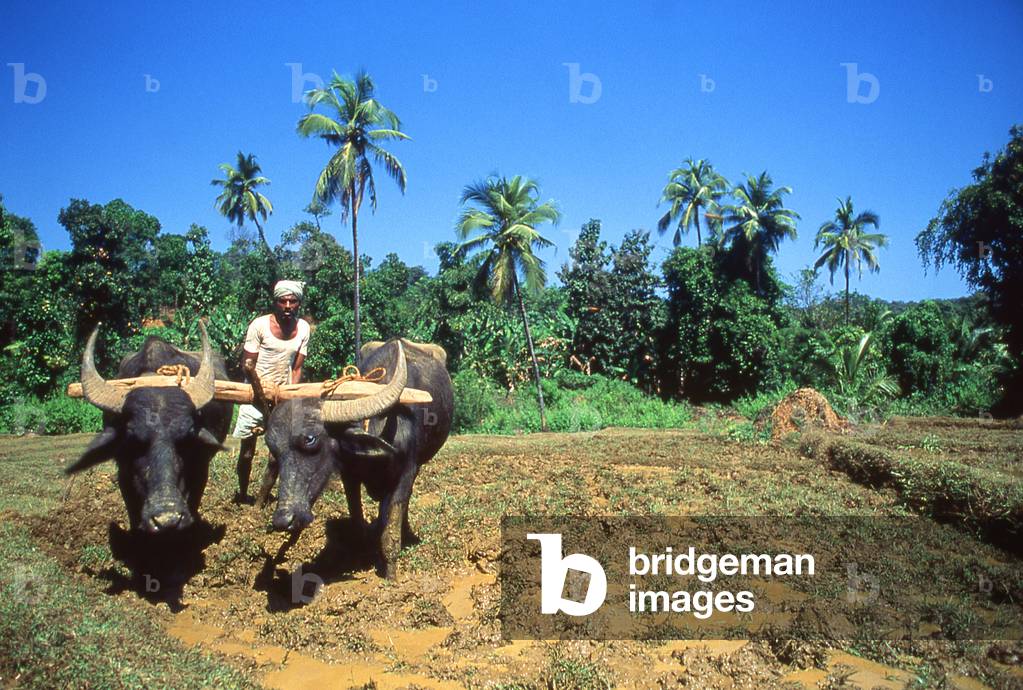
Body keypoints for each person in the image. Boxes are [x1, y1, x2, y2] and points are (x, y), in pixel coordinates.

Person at [232, 280, 311, 504]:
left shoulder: (303, 328)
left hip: (282, 395)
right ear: (275, 302)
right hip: (253, 394)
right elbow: (247, 365)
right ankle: (243, 492)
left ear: (298, 304)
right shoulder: (259, 326)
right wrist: (260, 392)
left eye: (292, 301)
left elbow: (296, 368)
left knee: (276, 454)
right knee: (247, 452)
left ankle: (262, 499)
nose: (287, 305)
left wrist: (291, 397)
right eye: (282, 301)